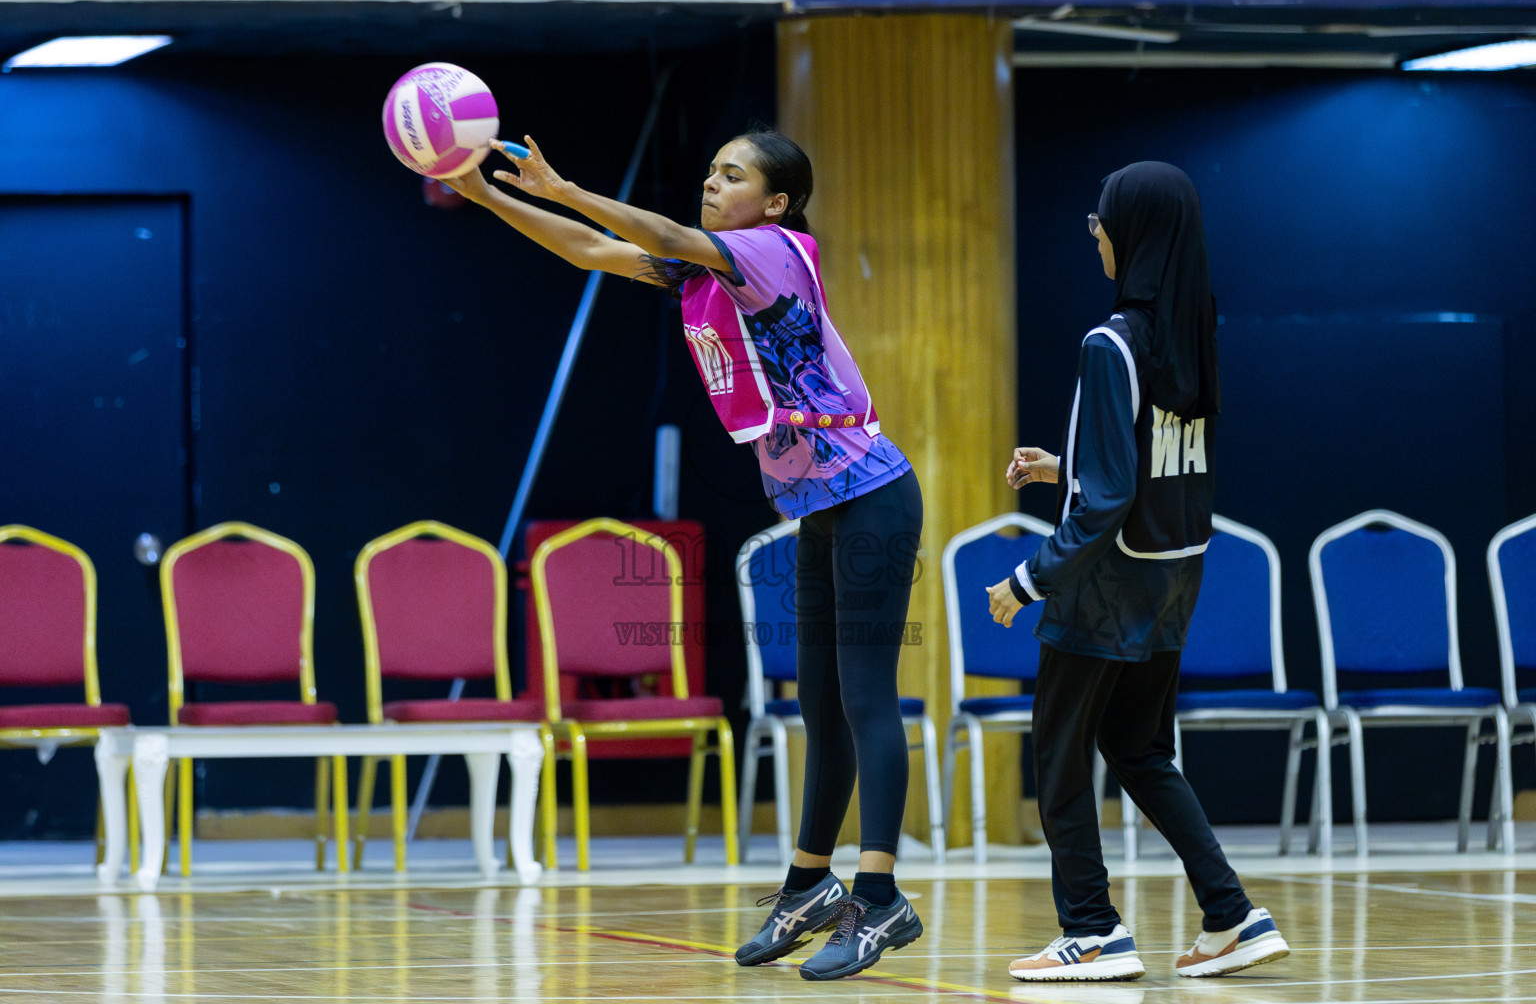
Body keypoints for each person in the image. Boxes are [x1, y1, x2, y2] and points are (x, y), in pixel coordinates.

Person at [444, 131, 923, 981]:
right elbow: (594, 250)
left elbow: (655, 233)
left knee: (865, 696)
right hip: (819, 505)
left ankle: (881, 897)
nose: (712, 180)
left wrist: (565, 182)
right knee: (819, 702)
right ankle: (809, 884)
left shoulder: (772, 252)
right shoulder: (709, 275)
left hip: (871, 496)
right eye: (710, 169)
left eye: (731, 175)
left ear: (774, 203)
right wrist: (490, 199)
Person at [984, 161, 1289, 982]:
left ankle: (1091, 928)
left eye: (1102, 219)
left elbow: (1110, 498)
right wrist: (1065, 466)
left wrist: (1029, 577)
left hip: (1105, 583)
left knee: (1057, 752)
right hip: (1175, 578)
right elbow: (1156, 468)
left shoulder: (1109, 340)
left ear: (1135, 233)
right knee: (1140, 749)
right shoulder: (1194, 330)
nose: (1094, 233)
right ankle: (1232, 912)